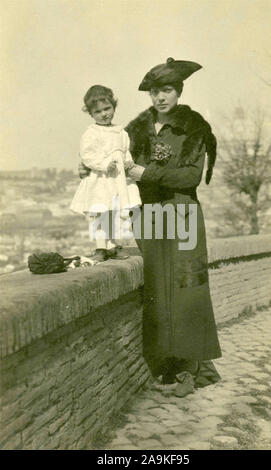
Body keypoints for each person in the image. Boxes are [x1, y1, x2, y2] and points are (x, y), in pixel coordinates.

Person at [79, 59, 222, 397]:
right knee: (158, 289)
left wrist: (146, 174)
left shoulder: (194, 128)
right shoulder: (136, 129)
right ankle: (165, 367)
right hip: (150, 217)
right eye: (155, 91)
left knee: (188, 290)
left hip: (183, 214)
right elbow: (110, 159)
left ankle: (190, 372)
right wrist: (89, 169)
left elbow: (190, 178)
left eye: (167, 90)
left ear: (179, 91)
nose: (160, 97)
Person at [70, 85, 142, 262]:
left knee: (115, 212)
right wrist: (103, 165)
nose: (104, 114)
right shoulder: (91, 133)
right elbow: (87, 156)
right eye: (98, 111)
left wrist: (128, 164)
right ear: (91, 114)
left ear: (114, 107)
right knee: (101, 212)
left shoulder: (121, 132)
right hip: (101, 179)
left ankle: (114, 245)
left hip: (117, 179)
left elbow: (125, 152)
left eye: (107, 108)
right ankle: (101, 247)